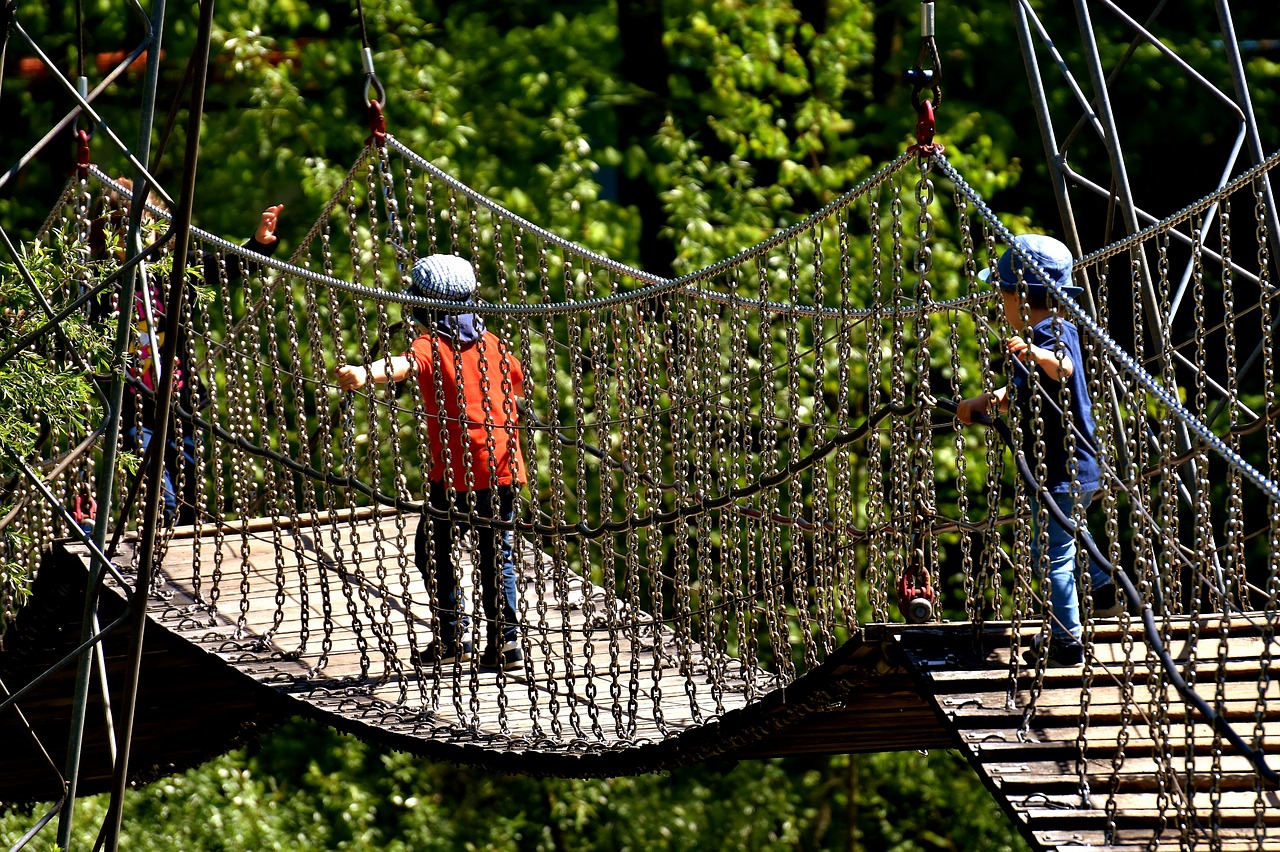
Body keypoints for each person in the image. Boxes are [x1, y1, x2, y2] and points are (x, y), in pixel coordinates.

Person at [336, 253, 527, 672]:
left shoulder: (431, 344)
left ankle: (452, 636)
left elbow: (404, 365)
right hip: (504, 465)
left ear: (422, 307)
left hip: (459, 472)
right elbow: (517, 382)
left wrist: (364, 374)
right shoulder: (492, 342)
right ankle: (507, 643)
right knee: (499, 553)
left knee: (433, 548)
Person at [955, 234, 1123, 667]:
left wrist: (1035, 352)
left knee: (1050, 556)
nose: (1001, 307)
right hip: (1072, 466)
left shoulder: (1052, 334)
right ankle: (1105, 587)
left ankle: (1068, 643)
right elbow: (1020, 392)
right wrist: (983, 402)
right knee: (1068, 536)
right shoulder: (1037, 338)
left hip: (1064, 467)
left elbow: (1062, 367)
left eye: (1003, 297)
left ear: (1021, 298)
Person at [91, 177, 284, 527]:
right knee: (160, 495)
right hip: (132, 407)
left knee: (189, 490)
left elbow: (224, 266)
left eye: (145, 228)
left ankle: (179, 553)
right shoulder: (103, 283)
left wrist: (257, 245)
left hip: (180, 400)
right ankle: (158, 552)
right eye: (123, 229)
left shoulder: (173, 270)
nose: (135, 238)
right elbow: (81, 332)